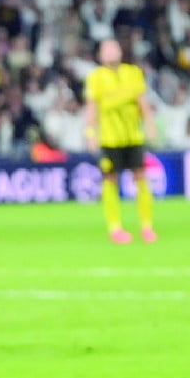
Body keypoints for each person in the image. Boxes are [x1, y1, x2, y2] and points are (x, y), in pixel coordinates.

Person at [83, 38, 158, 244]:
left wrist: (150, 126)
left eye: (114, 48)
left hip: (133, 136)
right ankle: (115, 227)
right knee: (110, 180)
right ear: (100, 55)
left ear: (120, 52)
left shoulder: (133, 73)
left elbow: (143, 103)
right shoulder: (95, 78)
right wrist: (90, 133)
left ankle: (147, 226)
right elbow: (92, 107)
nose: (111, 52)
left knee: (141, 177)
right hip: (109, 139)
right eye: (106, 49)